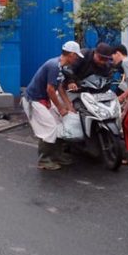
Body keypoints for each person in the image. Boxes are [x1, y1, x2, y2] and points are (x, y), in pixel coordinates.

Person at [22, 41, 81, 170]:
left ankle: (57, 155)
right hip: (34, 100)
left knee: (59, 123)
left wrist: (68, 106)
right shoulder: (54, 66)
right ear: (71, 54)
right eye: (76, 56)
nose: (77, 59)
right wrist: (60, 108)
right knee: (49, 127)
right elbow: (50, 90)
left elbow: (59, 87)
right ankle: (44, 159)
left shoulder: (60, 67)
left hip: (43, 99)